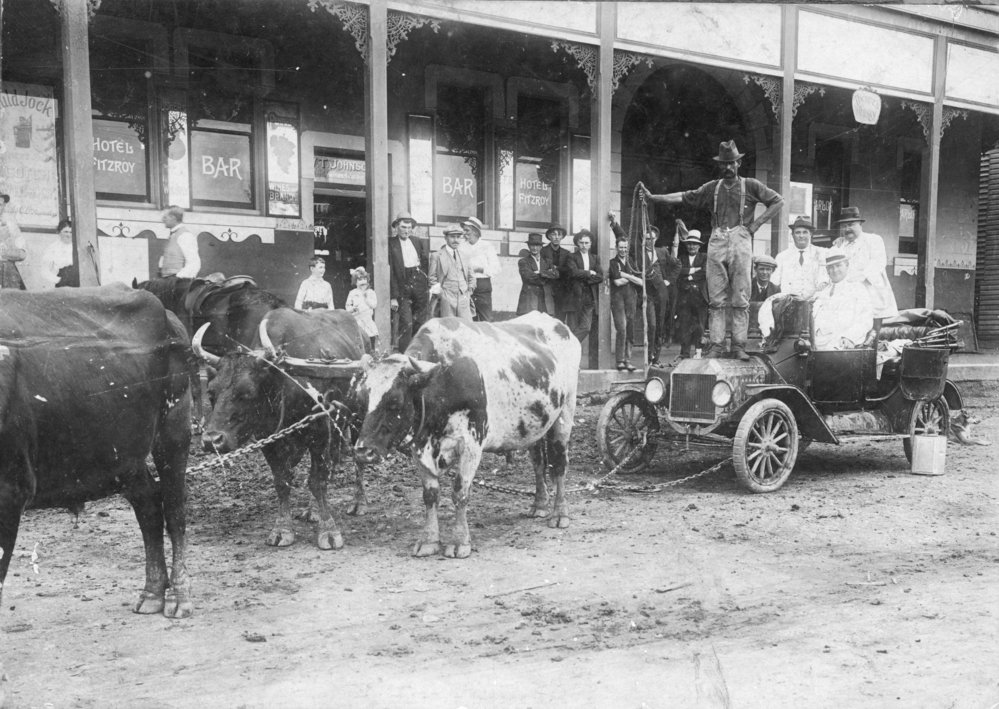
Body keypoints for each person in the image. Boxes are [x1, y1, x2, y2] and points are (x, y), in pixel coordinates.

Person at [641, 140, 784, 360]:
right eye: (724, 164)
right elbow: (682, 196)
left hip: (741, 240)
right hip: (717, 240)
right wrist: (654, 198)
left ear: (739, 163)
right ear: (720, 165)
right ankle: (717, 344)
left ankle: (738, 345)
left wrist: (754, 226)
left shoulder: (752, 185)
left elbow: (777, 201)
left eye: (732, 164)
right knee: (716, 298)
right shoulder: (712, 188)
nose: (728, 168)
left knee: (741, 296)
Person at [832, 206, 898, 330]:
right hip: (849, 295)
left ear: (860, 224)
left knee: (872, 333)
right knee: (851, 330)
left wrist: (856, 278)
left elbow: (878, 263)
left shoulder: (873, 240)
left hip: (871, 291)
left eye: (851, 224)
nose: (847, 229)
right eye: (844, 226)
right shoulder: (840, 245)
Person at [812, 247, 874, 350]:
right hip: (817, 342)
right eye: (831, 267)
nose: (835, 270)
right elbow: (813, 317)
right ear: (827, 270)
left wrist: (850, 337)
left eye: (838, 265)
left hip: (841, 342)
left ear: (847, 265)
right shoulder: (822, 291)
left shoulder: (857, 289)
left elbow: (865, 319)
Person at [388, 211, 430, 351]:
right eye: (403, 227)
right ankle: (405, 353)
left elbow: (424, 262)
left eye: (409, 227)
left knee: (420, 320)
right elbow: (392, 271)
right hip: (402, 284)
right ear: (396, 227)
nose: (406, 230)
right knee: (406, 322)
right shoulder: (391, 243)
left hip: (418, 283)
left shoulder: (417, 241)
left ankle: (418, 352)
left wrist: (424, 282)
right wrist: (393, 296)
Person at [772, 216, 828, 300]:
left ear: (810, 234)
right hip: (788, 304)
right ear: (792, 235)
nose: (801, 236)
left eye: (805, 232)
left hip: (814, 302)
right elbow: (774, 283)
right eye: (798, 232)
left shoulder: (821, 253)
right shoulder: (782, 256)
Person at [609, 234, 643, 371]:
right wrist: (632, 277)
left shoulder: (632, 262)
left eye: (625, 247)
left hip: (631, 299)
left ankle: (628, 360)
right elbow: (617, 282)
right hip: (618, 300)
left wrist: (625, 275)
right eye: (620, 247)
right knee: (621, 329)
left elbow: (640, 282)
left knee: (630, 330)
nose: (623, 250)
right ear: (616, 248)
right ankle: (620, 361)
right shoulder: (612, 263)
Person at [564, 229, 604, 345]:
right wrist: (589, 273)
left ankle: (567, 345)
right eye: (581, 242)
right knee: (572, 328)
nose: (584, 245)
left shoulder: (595, 258)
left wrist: (585, 277)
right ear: (577, 243)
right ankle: (571, 359)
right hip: (574, 296)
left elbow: (600, 277)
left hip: (589, 298)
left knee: (586, 327)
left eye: (587, 243)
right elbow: (573, 273)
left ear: (591, 244)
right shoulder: (571, 256)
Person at [675, 230, 709, 360]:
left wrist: (688, 275)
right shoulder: (681, 258)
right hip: (685, 297)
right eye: (689, 244)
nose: (692, 246)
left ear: (699, 246)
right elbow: (678, 271)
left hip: (700, 296)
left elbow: (705, 272)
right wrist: (695, 270)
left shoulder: (704, 257)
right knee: (685, 325)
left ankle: (698, 352)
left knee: (700, 326)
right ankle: (684, 353)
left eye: (695, 244)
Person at [429, 225, 475, 320]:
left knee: (466, 327)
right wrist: (441, 295)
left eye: (458, 237)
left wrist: (469, 291)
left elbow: (471, 276)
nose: (456, 240)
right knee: (449, 327)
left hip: (463, 297)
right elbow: (431, 278)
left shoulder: (465, 256)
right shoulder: (437, 256)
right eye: (452, 237)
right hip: (446, 297)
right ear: (446, 238)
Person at [461, 216, 500, 322]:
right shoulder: (462, 247)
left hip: (482, 286)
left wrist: (480, 269)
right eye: (464, 230)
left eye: (467, 230)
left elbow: (496, 268)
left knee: (485, 319)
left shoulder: (487, 246)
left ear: (475, 231)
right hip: (466, 285)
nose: (464, 233)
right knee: (467, 319)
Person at [516, 232, 558, 315]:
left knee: (545, 325)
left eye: (537, 245)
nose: (535, 248)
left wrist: (539, 272)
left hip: (545, 299)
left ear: (541, 247)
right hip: (530, 298)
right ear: (528, 246)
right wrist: (547, 274)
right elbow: (528, 276)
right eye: (532, 245)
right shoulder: (523, 261)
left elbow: (556, 274)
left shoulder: (547, 261)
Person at [158, 205, 201, 278]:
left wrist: (178, 278)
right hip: (167, 281)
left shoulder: (185, 235)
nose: (162, 220)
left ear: (173, 218)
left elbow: (194, 264)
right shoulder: (172, 236)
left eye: (165, 217)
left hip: (178, 282)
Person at [541, 223, 572, 322]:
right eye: (554, 234)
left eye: (559, 234)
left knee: (560, 318)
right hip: (547, 287)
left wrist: (556, 268)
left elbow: (568, 270)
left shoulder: (566, 253)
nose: (556, 237)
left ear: (562, 237)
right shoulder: (543, 251)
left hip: (561, 289)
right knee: (546, 317)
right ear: (549, 236)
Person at [345, 266, 379, 352]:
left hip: (368, 320)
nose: (363, 281)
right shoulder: (353, 293)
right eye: (360, 280)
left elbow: (374, 305)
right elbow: (347, 306)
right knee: (359, 342)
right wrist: (352, 309)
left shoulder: (371, 292)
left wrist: (366, 298)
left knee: (370, 340)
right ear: (355, 282)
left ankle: (371, 354)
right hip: (358, 320)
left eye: (364, 279)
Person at [0, 193, 26, 290]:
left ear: (4, 206)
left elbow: (23, 254)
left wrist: (7, 252)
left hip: (7, 271)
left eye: (0, 205)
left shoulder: (11, 225)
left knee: (14, 300)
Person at [41, 218, 78, 288]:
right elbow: (44, 271)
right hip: (62, 284)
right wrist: (58, 280)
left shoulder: (77, 247)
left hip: (77, 282)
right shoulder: (52, 248)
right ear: (59, 232)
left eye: (71, 232)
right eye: (66, 232)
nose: (69, 235)